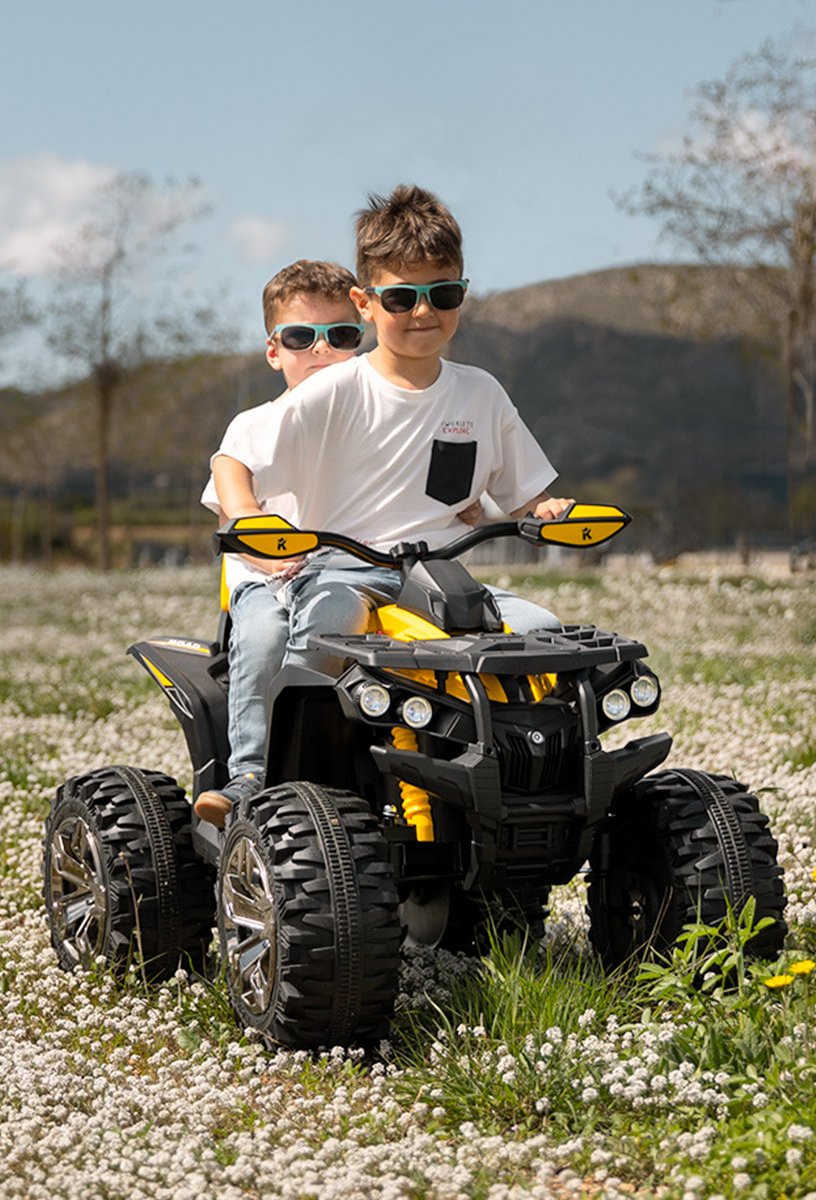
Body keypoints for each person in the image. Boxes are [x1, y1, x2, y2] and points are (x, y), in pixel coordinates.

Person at [199, 185, 570, 826]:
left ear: (463, 294)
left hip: (438, 573)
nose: (423, 313)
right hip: (342, 568)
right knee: (326, 620)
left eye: (442, 295)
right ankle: (271, 782)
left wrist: (547, 509)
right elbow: (234, 460)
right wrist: (247, 518)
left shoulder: (479, 393)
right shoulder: (335, 388)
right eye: (402, 297)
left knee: (542, 631)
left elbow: (524, 493)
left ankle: (528, 780)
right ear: (368, 304)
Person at [196, 259, 366, 828]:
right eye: (301, 337)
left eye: (339, 336)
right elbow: (233, 508)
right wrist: (266, 548)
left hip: (347, 572)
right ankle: (250, 773)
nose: (321, 351)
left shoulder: (374, 423)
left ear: (360, 341)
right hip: (268, 579)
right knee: (268, 636)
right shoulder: (253, 426)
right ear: (275, 350)